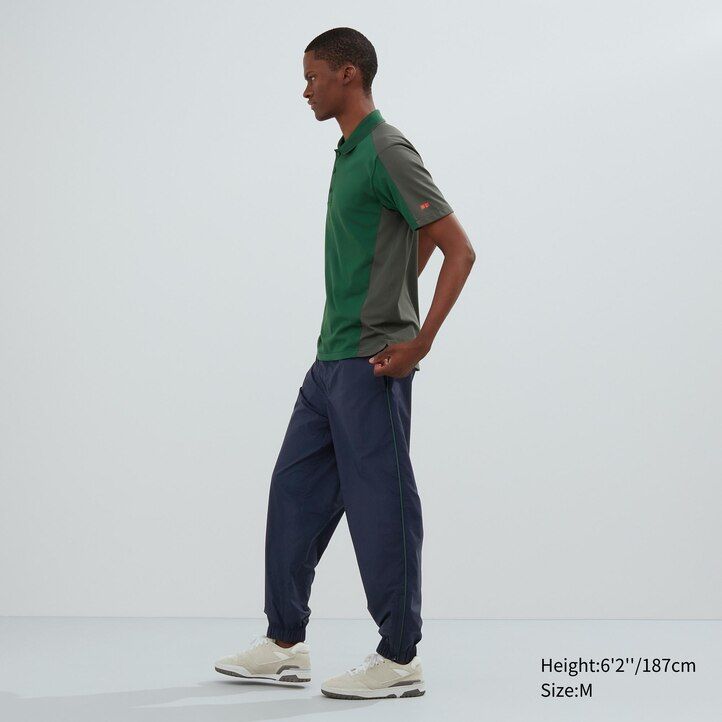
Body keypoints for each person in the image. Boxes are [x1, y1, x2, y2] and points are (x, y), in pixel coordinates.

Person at [214, 27, 475, 700]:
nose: (306, 90)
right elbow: (405, 243)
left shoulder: (387, 148)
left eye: (313, 77)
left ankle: (399, 658)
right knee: (292, 494)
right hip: (330, 359)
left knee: (382, 508)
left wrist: (418, 339)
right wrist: (394, 291)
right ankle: (284, 644)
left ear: (348, 74)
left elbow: (457, 247)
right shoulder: (349, 152)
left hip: (371, 365)